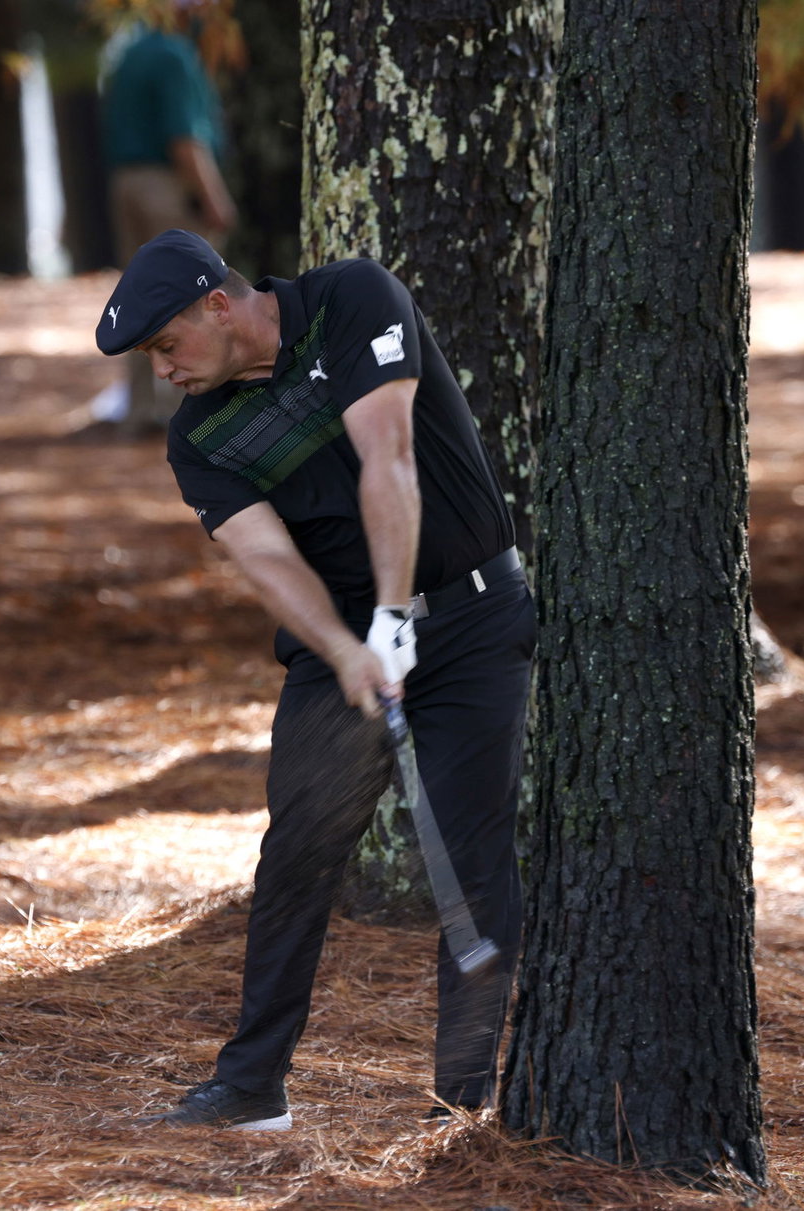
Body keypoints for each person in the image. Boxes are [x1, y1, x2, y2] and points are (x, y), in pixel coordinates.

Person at [96, 230, 535, 1129]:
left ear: (218, 304)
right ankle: (253, 1083)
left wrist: (394, 611)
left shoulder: (352, 301)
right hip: (340, 647)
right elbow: (265, 557)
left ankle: (461, 1103)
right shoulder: (200, 437)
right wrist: (346, 648)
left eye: (166, 347)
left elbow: (391, 458)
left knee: (473, 856)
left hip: (474, 620)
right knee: (297, 851)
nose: (164, 372)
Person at [98, 1, 237, 434]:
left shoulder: (130, 51)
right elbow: (185, 140)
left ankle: (139, 408)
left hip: (124, 184)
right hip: (167, 187)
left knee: (136, 298)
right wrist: (217, 201)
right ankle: (190, 414)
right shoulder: (175, 55)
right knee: (189, 298)